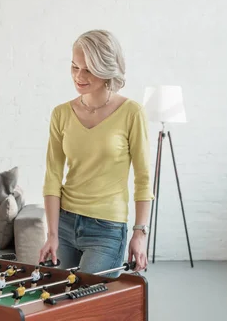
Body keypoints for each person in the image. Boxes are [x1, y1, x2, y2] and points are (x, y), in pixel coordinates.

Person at [38, 29, 153, 278]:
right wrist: (52, 234)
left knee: (87, 304)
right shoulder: (61, 113)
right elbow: (52, 177)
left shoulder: (132, 113)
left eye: (88, 69)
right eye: (74, 66)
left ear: (106, 69)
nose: (79, 76)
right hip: (65, 223)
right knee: (55, 302)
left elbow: (143, 178)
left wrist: (139, 233)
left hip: (107, 229)